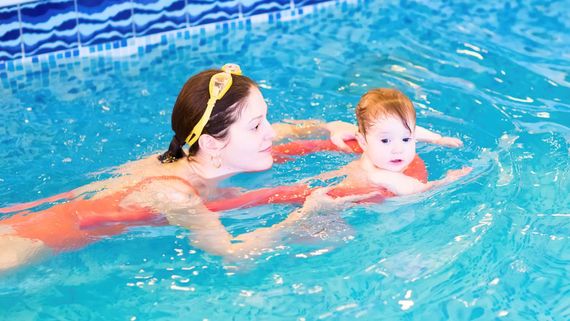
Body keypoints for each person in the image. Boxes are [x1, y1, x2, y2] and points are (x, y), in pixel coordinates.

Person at [0, 65, 461, 272]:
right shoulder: (174, 192)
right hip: (30, 242)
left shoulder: (202, 150)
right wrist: (304, 215)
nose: (269, 132)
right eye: (257, 125)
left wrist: (327, 126)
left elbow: (287, 131)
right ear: (216, 144)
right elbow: (234, 257)